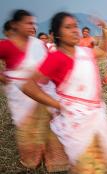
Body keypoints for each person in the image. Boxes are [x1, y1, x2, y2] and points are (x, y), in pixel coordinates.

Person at [22, 12, 107, 173]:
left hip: (95, 115)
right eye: (68, 27)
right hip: (75, 119)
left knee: (99, 160)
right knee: (88, 165)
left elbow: (103, 51)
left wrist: (104, 28)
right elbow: (28, 86)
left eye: (75, 25)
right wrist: (56, 104)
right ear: (58, 35)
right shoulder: (56, 58)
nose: (75, 30)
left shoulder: (85, 52)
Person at [0, 9, 68, 172]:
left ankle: (56, 161)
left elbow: (50, 63)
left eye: (34, 23)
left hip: (43, 92)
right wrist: (2, 77)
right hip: (21, 96)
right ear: (16, 25)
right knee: (29, 129)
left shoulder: (39, 44)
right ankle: (32, 160)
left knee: (52, 125)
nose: (33, 26)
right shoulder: (6, 45)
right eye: (29, 23)